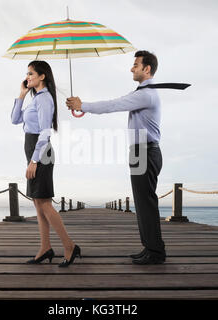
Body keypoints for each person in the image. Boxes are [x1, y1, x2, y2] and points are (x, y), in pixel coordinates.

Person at [66, 51, 165, 265]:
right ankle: (150, 247)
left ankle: (156, 252)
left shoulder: (145, 94)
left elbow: (113, 105)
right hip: (142, 151)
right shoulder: (144, 92)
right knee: (142, 202)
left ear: (146, 69)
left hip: (145, 151)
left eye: (136, 65)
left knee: (145, 202)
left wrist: (83, 106)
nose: (132, 68)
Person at [11, 60, 81, 267]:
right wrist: (21, 95)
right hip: (32, 147)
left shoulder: (44, 99)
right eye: (27, 74)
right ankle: (45, 248)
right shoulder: (34, 99)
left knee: (45, 204)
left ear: (42, 76)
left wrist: (34, 160)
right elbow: (15, 120)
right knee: (37, 202)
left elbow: (45, 132)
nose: (27, 77)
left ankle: (69, 246)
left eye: (31, 73)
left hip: (40, 151)